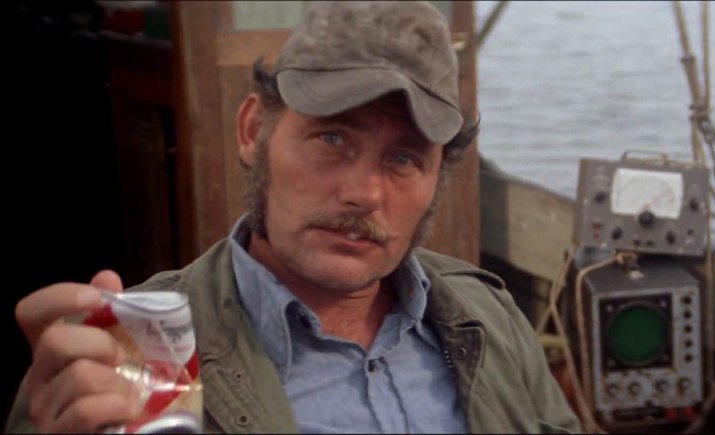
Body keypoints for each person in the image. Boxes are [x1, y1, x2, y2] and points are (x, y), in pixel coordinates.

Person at [6, 1, 580, 433]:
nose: (363, 193)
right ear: (254, 131)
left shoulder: (490, 316)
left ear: (436, 181)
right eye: (332, 137)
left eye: (404, 158)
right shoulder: (130, 349)